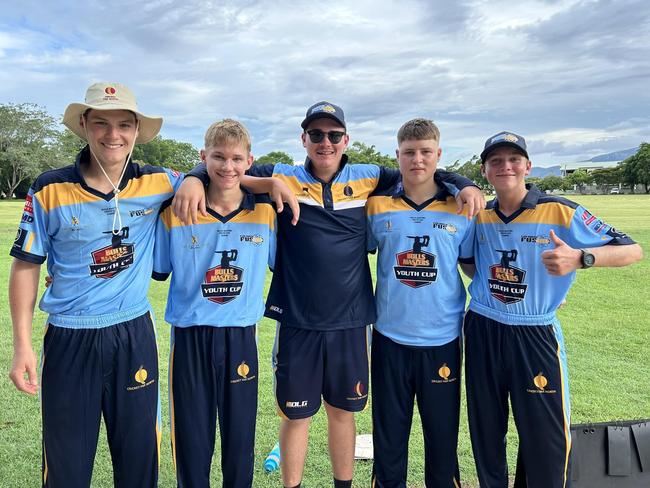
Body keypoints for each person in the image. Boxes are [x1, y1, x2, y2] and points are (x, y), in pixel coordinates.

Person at [174, 101, 485, 488]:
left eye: (334, 135)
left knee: (343, 412)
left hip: (351, 321)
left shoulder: (370, 176)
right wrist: (192, 176)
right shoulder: (281, 174)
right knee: (296, 417)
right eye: (316, 134)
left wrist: (466, 183)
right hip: (297, 319)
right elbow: (226, 168)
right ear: (303, 138)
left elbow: (422, 168)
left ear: (345, 139)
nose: (326, 142)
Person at [8, 82, 180, 488]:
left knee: (139, 462)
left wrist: (193, 181)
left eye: (124, 124)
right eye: (101, 122)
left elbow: (221, 174)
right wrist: (22, 345)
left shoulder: (160, 182)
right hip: (69, 338)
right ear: (84, 125)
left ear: (137, 130)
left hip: (133, 334)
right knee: (66, 467)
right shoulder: (49, 187)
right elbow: (26, 266)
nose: (112, 134)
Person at [463, 131, 643, 488]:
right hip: (483, 326)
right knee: (486, 434)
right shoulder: (479, 215)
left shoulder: (559, 210)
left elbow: (631, 249)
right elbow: (470, 264)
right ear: (484, 170)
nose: (505, 167)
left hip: (534, 334)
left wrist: (580, 257)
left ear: (527, 165)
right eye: (496, 161)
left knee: (546, 440)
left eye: (513, 159)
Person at [153, 119, 276, 487]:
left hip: (241, 337)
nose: (228, 166)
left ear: (249, 160)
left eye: (237, 158)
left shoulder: (266, 213)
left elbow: (286, 265)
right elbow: (157, 268)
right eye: (219, 157)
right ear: (202, 157)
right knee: (192, 439)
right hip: (189, 338)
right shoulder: (175, 211)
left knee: (240, 440)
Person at [366, 118, 473, 488]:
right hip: (389, 339)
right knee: (389, 442)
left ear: (438, 154)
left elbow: (476, 266)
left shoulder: (462, 207)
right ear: (397, 155)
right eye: (409, 152)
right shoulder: (377, 206)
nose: (417, 159)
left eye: (426, 151)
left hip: (442, 340)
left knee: (442, 444)